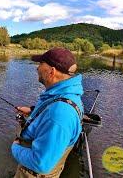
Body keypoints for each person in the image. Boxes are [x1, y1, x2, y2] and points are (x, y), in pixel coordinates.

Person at [11, 48, 84, 178]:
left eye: (40, 64)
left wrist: (15, 148)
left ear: (51, 71)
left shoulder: (59, 115)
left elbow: (40, 164)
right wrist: (33, 111)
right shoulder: (67, 94)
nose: (37, 68)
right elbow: (51, 106)